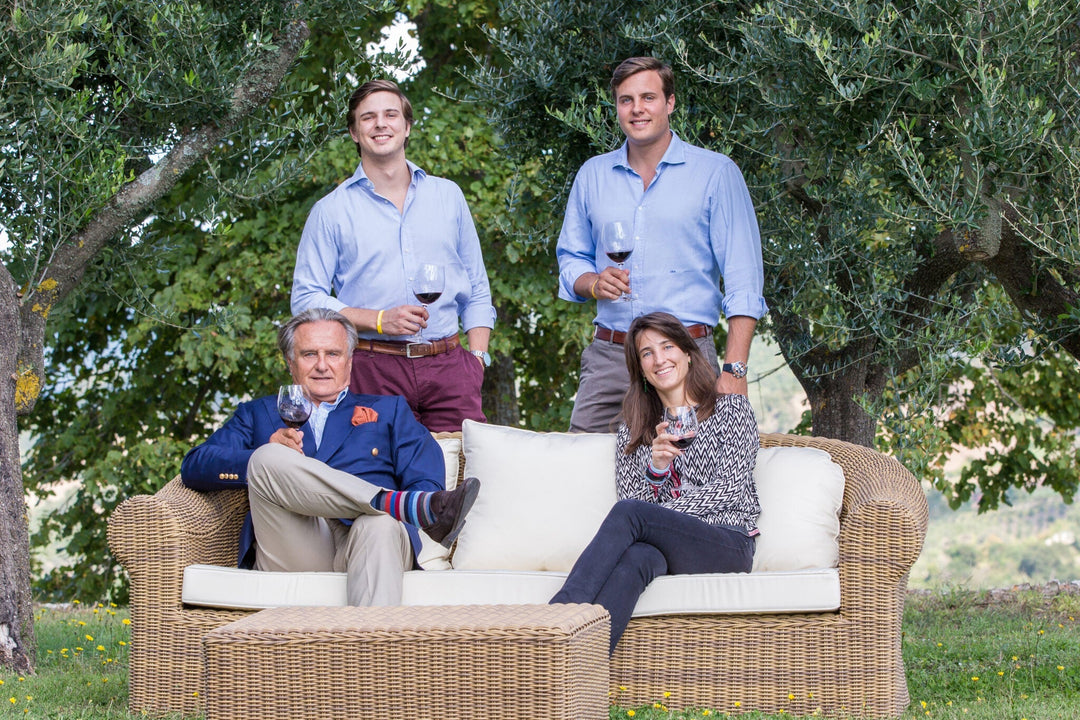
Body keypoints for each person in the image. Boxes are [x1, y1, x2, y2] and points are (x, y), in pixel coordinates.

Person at [180, 308, 480, 606]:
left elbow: (425, 475)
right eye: (309, 354)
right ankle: (391, 503)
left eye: (333, 354)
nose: (322, 365)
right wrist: (259, 456)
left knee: (381, 525)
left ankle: (371, 652)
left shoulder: (389, 410)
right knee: (266, 456)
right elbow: (195, 465)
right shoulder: (258, 414)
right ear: (289, 362)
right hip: (295, 543)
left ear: (349, 363)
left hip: (373, 541)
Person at [556, 56, 768, 433]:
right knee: (580, 472)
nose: (637, 109)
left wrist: (734, 369)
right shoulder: (592, 175)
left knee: (688, 477)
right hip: (611, 357)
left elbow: (743, 279)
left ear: (670, 103)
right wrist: (592, 282)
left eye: (648, 97)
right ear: (617, 107)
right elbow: (571, 258)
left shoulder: (716, 174)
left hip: (686, 356)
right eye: (626, 100)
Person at [291, 78, 496, 432]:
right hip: (373, 369)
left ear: (407, 127)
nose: (381, 124)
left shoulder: (448, 197)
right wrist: (380, 319)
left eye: (390, 114)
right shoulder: (330, 211)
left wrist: (477, 359)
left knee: (467, 475)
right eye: (368, 117)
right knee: (380, 478)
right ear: (355, 132)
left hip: (450, 368)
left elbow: (476, 286)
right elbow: (305, 301)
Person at [550, 312, 760, 653]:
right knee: (638, 558)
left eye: (667, 346)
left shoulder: (731, 409)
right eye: (647, 353)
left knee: (633, 516)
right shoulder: (632, 433)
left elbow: (731, 488)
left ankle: (553, 621)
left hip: (727, 543)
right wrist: (657, 470)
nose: (659, 358)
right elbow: (633, 501)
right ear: (641, 370)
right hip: (667, 549)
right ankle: (576, 666)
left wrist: (658, 518)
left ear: (689, 353)